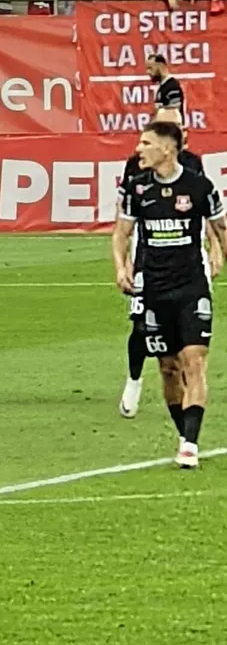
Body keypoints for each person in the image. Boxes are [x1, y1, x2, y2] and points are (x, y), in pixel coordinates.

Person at [112, 121, 226, 469]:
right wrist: (121, 267)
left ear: (167, 148)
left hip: (192, 285)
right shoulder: (137, 188)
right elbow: (121, 233)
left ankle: (189, 444)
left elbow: (221, 228)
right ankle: (184, 433)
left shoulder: (199, 187)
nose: (139, 149)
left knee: (194, 360)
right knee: (168, 368)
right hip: (154, 289)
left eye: (146, 143)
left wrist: (219, 252)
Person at [146, 54, 184, 126]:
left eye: (150, 68)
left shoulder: (172, 87)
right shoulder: (163, 87)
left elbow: (174, 115)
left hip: (171, 132)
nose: (147, 72)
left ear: (160, 66)